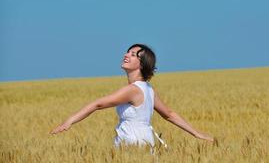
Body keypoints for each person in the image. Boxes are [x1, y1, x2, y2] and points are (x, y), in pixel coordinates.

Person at [50, 43, 214, 148]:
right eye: (128, 52)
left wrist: (69, 121)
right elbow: (169, 115)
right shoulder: (148, 89)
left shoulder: (133, 90)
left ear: (142, 64)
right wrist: (196, 133)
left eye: (133, 54)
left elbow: (98, 104)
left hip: (132, 143)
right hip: (144, 142)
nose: (126, 55)